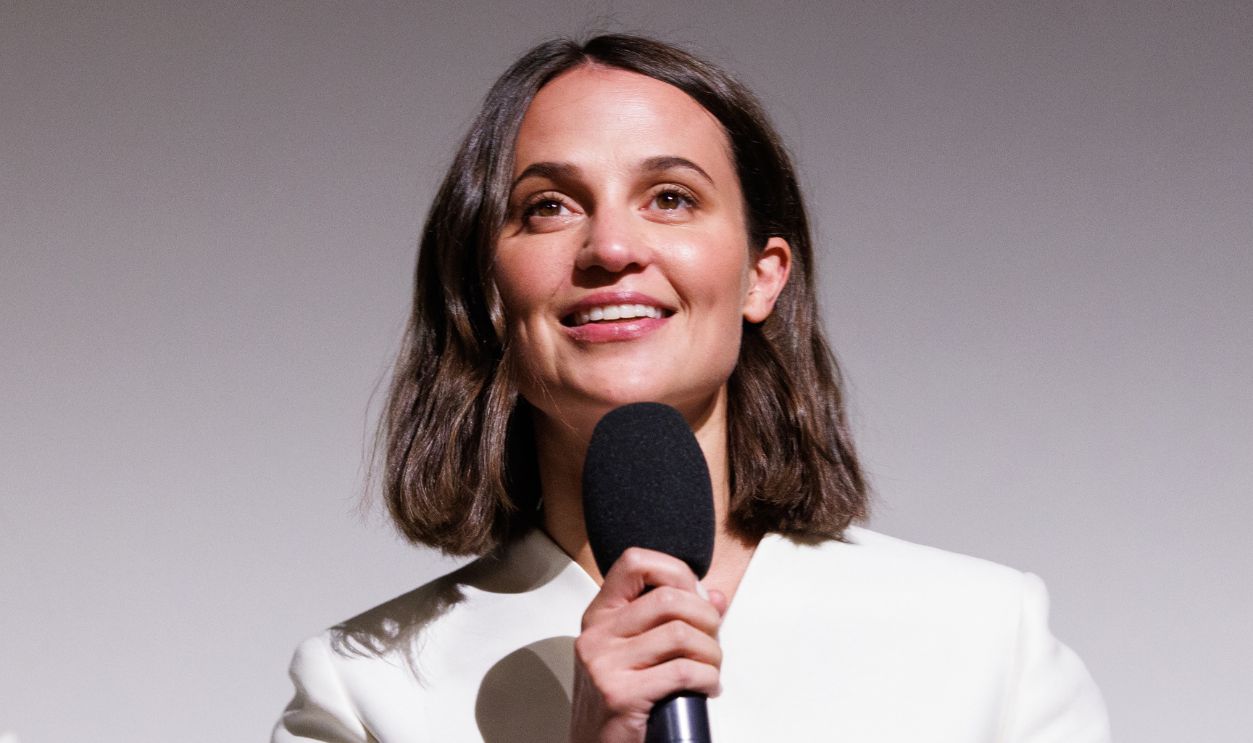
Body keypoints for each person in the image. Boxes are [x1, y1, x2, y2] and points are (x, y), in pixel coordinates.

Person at [273, 34, 1110, 743]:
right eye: (549, 206)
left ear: (760, 276)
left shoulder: (983, 639)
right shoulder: (365, 691)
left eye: (669, 198)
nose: (609, 246)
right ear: (486, 291)